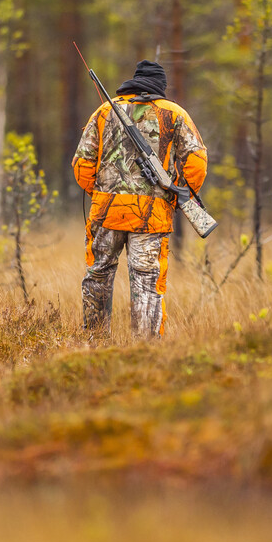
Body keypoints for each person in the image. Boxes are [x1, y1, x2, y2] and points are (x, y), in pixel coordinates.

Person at [72, 60, 208, 337]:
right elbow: (196, 162)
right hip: (151, 218)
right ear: (160, 87)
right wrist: (173, 193)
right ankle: (145, 351)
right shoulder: (174, 113)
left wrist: (99, 194)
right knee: (146, 281)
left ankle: (93, 343)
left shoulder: (103, 111)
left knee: (98, 277)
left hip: (106, 213)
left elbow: (82, 164)